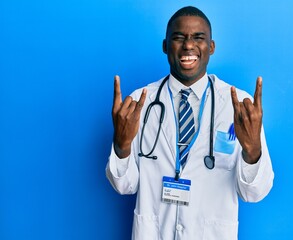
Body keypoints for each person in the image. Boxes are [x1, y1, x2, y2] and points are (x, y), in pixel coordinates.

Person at [106, 6, 274, 240]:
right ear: (165, 46)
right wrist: (121, 146)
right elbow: (125, 186)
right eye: (178, 38)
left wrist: (253, 150)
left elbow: (254, 193)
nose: (188, 46)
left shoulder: (242, 108)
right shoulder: (138, 104)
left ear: (211, 47)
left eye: (198, 38)